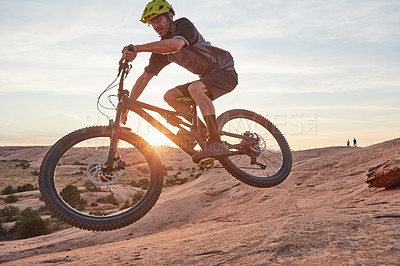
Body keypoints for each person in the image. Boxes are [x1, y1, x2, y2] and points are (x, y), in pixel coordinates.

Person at [120, 0, 238, 163]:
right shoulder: (161, 49)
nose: (155, 26)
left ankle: (216, 142)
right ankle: (202, 132)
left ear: (170, 16)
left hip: (226, 71)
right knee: (170, 96)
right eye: (151, 23)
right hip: (206, 78)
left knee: (196, 89)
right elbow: (144, 79)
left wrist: (138, 48)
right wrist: (129, 105)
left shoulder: (183, 25)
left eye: (158, 20)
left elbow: (175, 45)